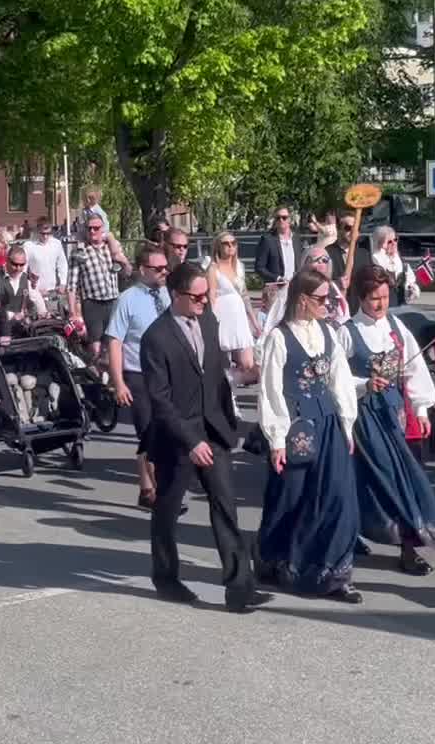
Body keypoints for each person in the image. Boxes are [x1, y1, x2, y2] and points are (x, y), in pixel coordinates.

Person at [142, 262, 269, 611]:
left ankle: (240, 587)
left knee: (225, 504)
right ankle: (166, 578)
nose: (203, 302)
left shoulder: (209, 321)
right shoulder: (157, 337)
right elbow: (160, 399)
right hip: (176, 437)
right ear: (175, 295)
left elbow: (215, 377)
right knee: (167, 510)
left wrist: (230, 423)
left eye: (205, 296)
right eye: (196, 297)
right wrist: (190, 441)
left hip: (212, 430)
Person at [255, 270, 362, 602]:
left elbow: (340, 382)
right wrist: (275, 439)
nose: (327, 304)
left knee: (339, 499)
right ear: (302, 299)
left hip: (328, 422)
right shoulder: (279, 337)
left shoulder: (328, 333)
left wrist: (347, 424)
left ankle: (334, 573)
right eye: (321, 299)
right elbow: (270, 390)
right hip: (296, 427)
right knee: (291, 499)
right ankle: (277, 560)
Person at [342, 266, 435, 575]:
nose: (380, 304)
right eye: (374, 298)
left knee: (404, 481)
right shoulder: (346, 332)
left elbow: (415, 372)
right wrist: (362, 384)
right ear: (361, 297)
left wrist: (422, 409)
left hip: (394, 417)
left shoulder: (397, 328)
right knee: (368, 481)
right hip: (363, 419)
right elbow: (334, 377)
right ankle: (353, 535)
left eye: (385, 297)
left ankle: (409, 546)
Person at [107, 244, 171, 507]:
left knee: (164, 432)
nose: (164, 272)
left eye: (166, 267)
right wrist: (119, 382)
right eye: (158, 268)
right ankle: (160, 492)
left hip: (166, 375)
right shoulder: (128, 299)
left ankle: (147, 489)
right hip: (138, 375)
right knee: (148, 433)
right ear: (143, 269)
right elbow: (114, 342)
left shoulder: (169, 295)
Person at [67, 212, 128, 352]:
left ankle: (111, 372)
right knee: (96, 347)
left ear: (103, 229)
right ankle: (97, 372)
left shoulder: (113, 247)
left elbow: (126, 273)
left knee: (113, 344)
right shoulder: (79, 252)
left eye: (96, 228)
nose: (93, 231)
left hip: (113, 300)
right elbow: (71, 285)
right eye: (89, 228)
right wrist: (72, 312)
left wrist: (122, 260)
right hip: (92, 303)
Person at [208, 231, 259, 384]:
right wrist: (210, 321)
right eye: (226, 243)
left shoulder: (240, 267)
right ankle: (225, 394)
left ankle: (226, 382)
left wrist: (254, 322)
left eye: (233, 243)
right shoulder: (213, 268)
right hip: (222, 315)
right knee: (221, 359)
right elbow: (211, 295)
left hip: (239, 316)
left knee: (248, 364)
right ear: (218, 246)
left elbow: (245, 295)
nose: (230, 246)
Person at [367, 226, 421, 309]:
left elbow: (410, 282)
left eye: (395, 240)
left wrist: (411, 290)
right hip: (382, 307)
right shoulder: (375, 260)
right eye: (389, 242)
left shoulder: (401, 261)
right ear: (380, 244)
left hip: (401, 306)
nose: (394, 243)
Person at [254, 207, 297, 287]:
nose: (281, 220)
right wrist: (277, 278)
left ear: (290, 220)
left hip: (294, 288)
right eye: (278, 218)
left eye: (284, 217)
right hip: (275, 289)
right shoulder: (267, 240)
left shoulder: (296, 240)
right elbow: (259, 267)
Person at [23, 219, 68, 296]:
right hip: (35, 291)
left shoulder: (56, 244)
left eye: (48, 233)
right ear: (37, 231)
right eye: (43, 233)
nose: (45, 236)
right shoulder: (29, 246)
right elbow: (23, 268)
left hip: (53, 290)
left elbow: (62, 264)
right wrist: (28, 286)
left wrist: (63, 283)